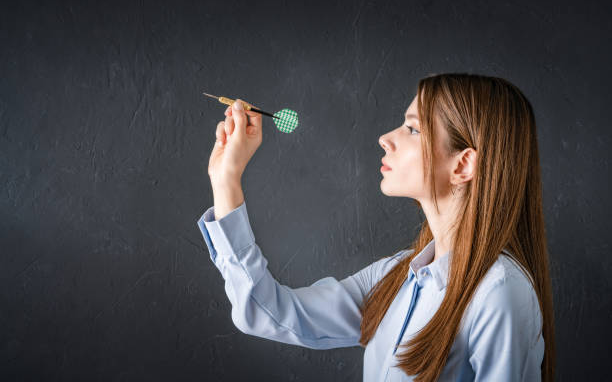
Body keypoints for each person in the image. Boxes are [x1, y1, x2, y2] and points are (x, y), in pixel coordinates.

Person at [198, 73, 555, 381]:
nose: (386, 137)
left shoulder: (500, 294)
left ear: (463, 165)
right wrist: (225, 179)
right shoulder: (396, 277)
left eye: (413, 128)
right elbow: (267, 312)